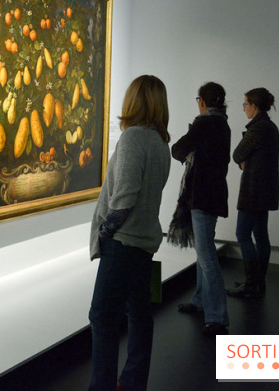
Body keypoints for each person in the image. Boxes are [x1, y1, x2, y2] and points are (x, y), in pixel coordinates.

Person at [88, 75, 171, 391]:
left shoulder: (133, 138)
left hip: (124, 243)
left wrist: (105, 232)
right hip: (145, 243)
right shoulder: (161, 143)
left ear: (134, 100)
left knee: (102, 317)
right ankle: (133, 381)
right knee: (139, 313)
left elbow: (123, 198)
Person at [172, 82, 231, 336]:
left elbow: (177, 149)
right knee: (203, 249)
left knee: (206, 254)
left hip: (201, 196)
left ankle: (217, 316)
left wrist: (190, 151)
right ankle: (199, 301)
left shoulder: (204, 123)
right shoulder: (223, 124)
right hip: (215, 194)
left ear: (203, 102)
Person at [227, 88, 279, 298]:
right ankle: (258, 281)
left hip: (253, 190)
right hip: (264, 190)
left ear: (254, 106)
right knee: (260, 234)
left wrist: (244, 162)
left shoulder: (258, 129)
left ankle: (251, 283)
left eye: (245, 105)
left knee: (243, 233)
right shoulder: (270, 127)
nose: (244, 109)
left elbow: (237, 154)